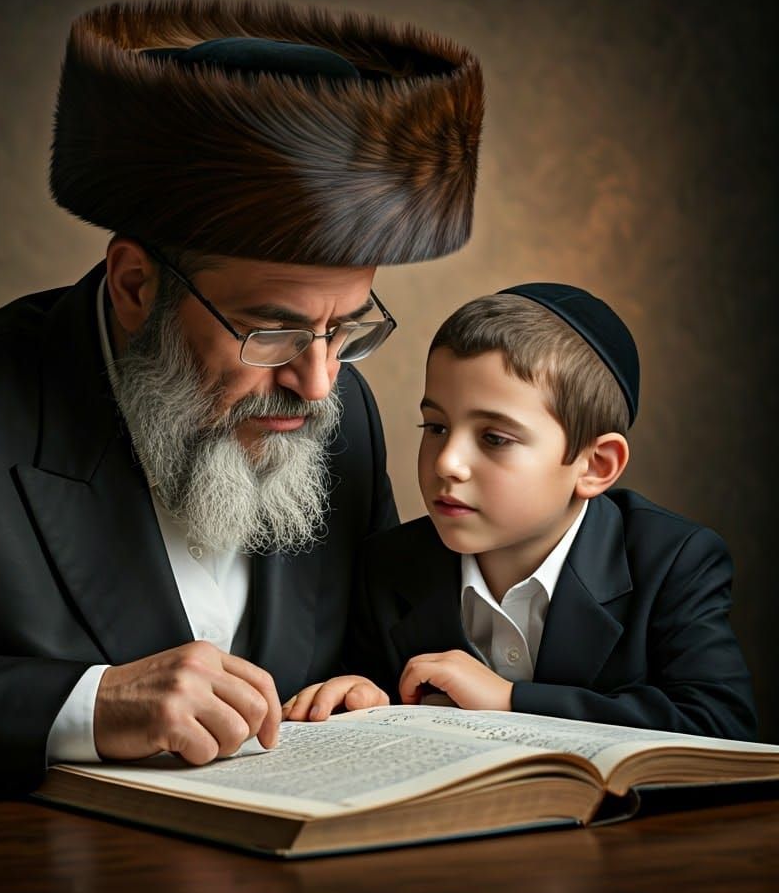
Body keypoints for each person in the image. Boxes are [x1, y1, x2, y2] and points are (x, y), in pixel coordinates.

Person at [0, 0, 484, 792]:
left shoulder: (344, 419)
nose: (318, 382)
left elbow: (366, 656)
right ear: (136, 285)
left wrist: (367, 692)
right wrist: (90, 705)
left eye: (347, 329)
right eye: (269, 331)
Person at [284, 283, 757, 739]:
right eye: (436, 427)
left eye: (495, 439)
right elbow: (380, 698)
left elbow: (721, 726)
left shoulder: (673, 561)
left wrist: (512, 700)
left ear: (595, 465)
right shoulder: (388, 567)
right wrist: (362, 695)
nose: (447, 462)